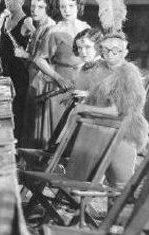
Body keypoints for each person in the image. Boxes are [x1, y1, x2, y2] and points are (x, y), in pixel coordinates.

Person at [62, 32, 148, 187]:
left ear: (124, 52)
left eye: (115, 50)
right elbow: (96, 99)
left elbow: (117, 111)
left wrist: (82, 107)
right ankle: (83, 210)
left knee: (121, 184)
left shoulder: (127, 73)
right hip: (101, 130)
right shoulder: (100, 69)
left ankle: (116, 211)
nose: (109, 53)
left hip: (123, 132)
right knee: (91, 180)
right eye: (105, 49)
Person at [32, 0, 90, 148]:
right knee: (56, 136)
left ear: (78, 6)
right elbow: (39, 59)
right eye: (63, 6)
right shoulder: (55, 30)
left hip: (81, 85)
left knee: (76, 136)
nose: (67, 10)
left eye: (71, 6)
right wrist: (58, 78)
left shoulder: (86, 28)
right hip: (60, 87)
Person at [15, 0, 57, 148]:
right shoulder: (40, 25)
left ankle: (35, 164)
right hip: (33, 79)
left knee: (36, 128)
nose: (34, 10)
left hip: (42, 83)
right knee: (28, 125)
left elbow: (44, 60)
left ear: (48, 9)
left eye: (40, 7)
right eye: (33, 6)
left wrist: (24, 55)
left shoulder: (51, 28)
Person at [0, 0, 30, 139]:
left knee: (17, 114)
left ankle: (16, 150)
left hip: (20, 76)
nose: (9, 1)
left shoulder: (27, 21)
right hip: (5, 74)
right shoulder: (5, 19)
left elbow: (35, 52)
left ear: (23, 0)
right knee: (4, 112)